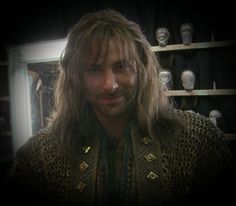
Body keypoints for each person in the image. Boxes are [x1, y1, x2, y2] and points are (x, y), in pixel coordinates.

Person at [5, 9, 235, 206]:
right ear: (77, 78)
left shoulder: (198, 141)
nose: (110, 85)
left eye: (122, 66)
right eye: (94, 70)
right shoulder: (39, 157)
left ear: (142, 69)